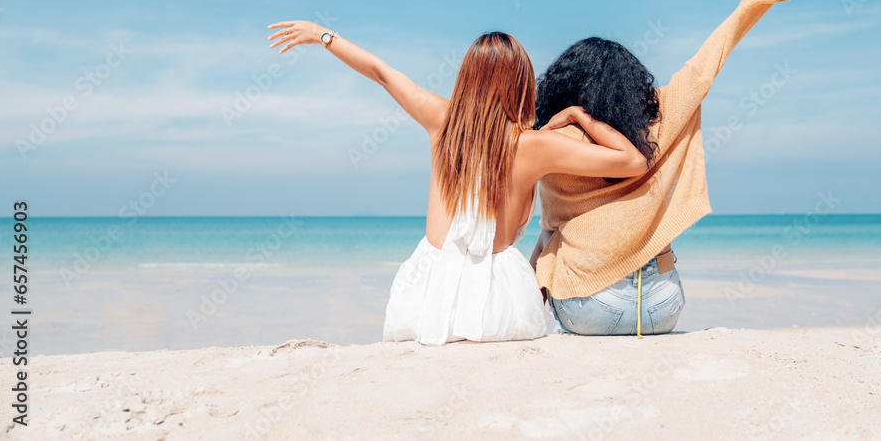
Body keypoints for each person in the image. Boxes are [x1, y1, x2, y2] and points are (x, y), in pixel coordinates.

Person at [266, 26, 649, 345]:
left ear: (467, 77)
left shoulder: (440, 120)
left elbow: (381, 72)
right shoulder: (536, 146)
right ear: (520, 82)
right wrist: (580, 116)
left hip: (424, 293)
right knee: (550, 232)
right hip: (498, 299)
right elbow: (633, 161)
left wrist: (323, 36)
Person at [530, 0, 800, 336]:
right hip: (662, 307)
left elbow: (549, 227)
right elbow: (706, 64)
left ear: (563, 86)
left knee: (553, 258)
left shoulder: (558, 138)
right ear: (628, 83)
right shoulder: (659, 120)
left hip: (592, 307)